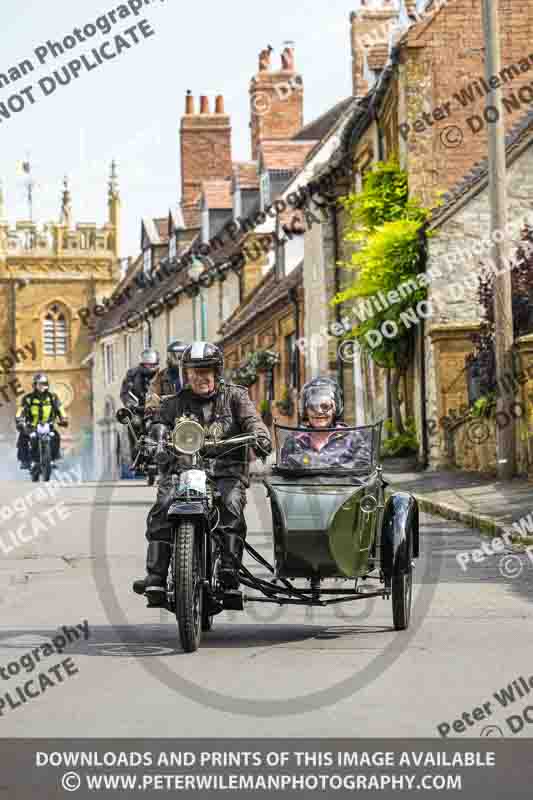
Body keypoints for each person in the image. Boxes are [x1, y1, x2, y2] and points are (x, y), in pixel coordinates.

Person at [134, 341, 272, 606]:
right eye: (195, 371)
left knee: (231, 504)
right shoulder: (174, 403)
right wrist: (155, 441)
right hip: (183, 470)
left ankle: (229, 572)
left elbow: (253, 421)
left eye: (207, 370)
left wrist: (260, 437)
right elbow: (158, 426)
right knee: (163, 505)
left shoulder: (236, 396)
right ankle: (156, 578)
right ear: (186, 374)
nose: (202, 377)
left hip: (226, 470)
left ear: (217, 371)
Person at [280, 377, 372, 470]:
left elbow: (364, 473)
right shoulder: (294, 440)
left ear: (335, 409)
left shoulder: (354, 439)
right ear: (305, 410)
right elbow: (284, 474)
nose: (319, 412)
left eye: (325, 406)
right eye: (313, 406)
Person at [16, 373, 68, 468]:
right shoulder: (28, 398)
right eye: (39, 384)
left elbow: (60, 409)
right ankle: (25, 460)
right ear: (35, 385)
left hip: (48, 425)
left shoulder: (53, 397)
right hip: (31, 426)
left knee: (56, 436)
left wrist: (64, 418)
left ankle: (53, 458)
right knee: (23, 437)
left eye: (44, 384)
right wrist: (19, 420)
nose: (42, 386)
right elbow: (20, 410)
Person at [119, 348, 160, 463]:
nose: (149, 367)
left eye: (152, 364)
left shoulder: (163, 374)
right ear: (142, 363)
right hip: (139, 409)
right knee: (134, 422)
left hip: (159, 409)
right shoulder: (132, 374)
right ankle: (136, 453)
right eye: (147, 364)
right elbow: (125, 392)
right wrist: (130, 404)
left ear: (157, 363)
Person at [144, 340, 188, 421]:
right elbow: (152, 392)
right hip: (168, 415)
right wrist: (152, 405)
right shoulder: (162, 375)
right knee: (157, 430)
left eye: (181, 355)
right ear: (169, 357)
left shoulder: (191, 374)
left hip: (190, 413)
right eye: (174, 356)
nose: (178, 360)